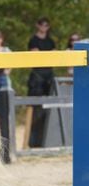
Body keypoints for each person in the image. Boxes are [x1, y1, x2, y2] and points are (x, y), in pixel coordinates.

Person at [26, 17, 56, 148]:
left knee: (49, 108)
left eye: (46, 25)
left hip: (49, 77)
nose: (44, 27)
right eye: (42, 24)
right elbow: (36, 57)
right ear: (37, 25)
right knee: (34, 108)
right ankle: (31, 143)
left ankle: (45, 142)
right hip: (37, 77)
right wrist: (48, 55)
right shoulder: (33, 40)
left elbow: (53, 56)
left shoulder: (51, 41)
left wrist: (46, 55)